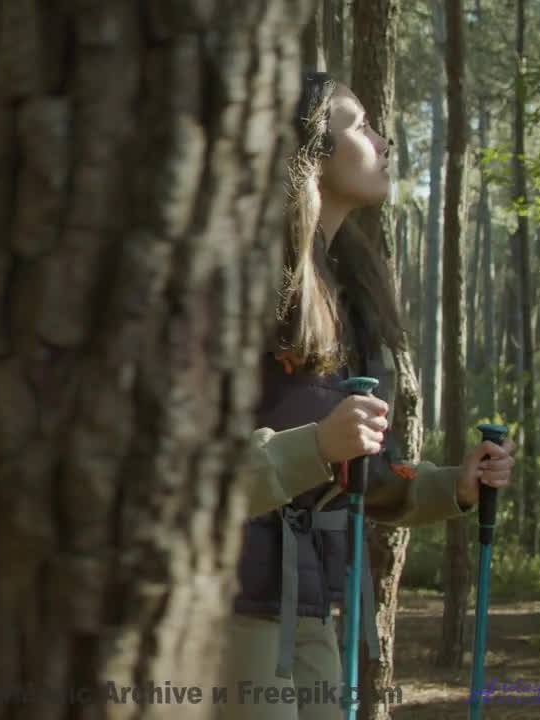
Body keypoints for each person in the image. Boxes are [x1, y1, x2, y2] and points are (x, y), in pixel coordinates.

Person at [218, 73, 517, 720]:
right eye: (358, 125)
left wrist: (456, 484)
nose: (384, 141)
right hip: (228, 605)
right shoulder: (239, 279)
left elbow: (369, 476)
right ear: (308, 149)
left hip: (310, 606)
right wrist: (316, 446)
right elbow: (187, 475)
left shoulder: (347, 292)